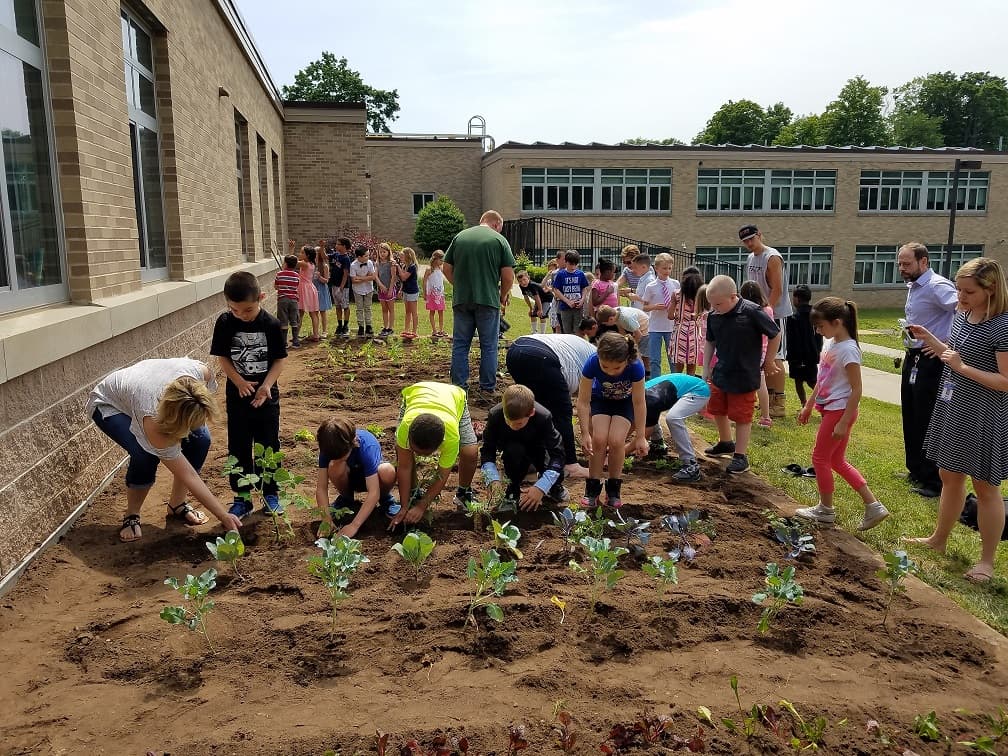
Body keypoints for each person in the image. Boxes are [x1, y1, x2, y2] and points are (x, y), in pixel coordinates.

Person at [905, 257, 1008, 583]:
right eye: (959, 290)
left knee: (985, 485)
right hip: (955, 403)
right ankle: (938, 539)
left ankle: (986, 562)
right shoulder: (964, 315)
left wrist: (962, 368)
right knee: (949, 474)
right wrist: (933, 342)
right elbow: (955, 352)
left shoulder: (1002, 326)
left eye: (968, 292)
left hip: (984, 411)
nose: (959, 298)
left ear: (991, 290)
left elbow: (1005, 381)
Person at [88, 358, 244, 542]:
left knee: (200, 439)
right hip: (110, 403)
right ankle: (132, 514)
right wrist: (223, 516)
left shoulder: (202, 373)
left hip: (144, 386)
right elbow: (187, 473)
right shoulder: (151, 416)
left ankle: (177, 504)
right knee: (144, 454)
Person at [794, 298, 890, 531]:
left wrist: (844, 422)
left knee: (819, 458)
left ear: (837, 322)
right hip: (831, 409)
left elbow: (857, 389)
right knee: (836, 460)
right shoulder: (831, 343)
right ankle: (874, 506)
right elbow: (822, 378)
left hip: (839, 412)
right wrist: (808, 404)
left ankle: (825, 510)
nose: (818, 331)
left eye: (821, 326)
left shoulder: (848, 350)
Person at [209, 271, 288, 517]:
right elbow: (223, 357)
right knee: (239, 446)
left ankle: (270, 494)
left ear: (261, 298)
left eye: (248, 310)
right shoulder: (224, 323)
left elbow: (278, 361)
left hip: (267, 396)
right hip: (238, 397)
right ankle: (242, 498)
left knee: (268, 445)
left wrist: (266, 385)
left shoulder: (272, 325)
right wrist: (239, 382)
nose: (241, 315)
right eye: (234, 310)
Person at [897, 242, 958, 500]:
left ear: (923, 262)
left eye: (907, 263)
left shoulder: (937, 286)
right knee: (910, 413)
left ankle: (933, 480)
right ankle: (916, 469)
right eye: (900, 263)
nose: (902, 268)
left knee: (927, 418)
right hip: (914, 356)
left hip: (932, 360)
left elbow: (963, 309)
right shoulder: (915, 286)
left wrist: (948, 344)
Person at [703, 275, 781, 475]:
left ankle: (740, 456)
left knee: (742, 415)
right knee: (717, 408)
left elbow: (775, 333)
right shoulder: (714, 315)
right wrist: (705, 369)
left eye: (718, 303)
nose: (715, 308)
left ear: (733, 297)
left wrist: (769, 360)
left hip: (745, 373)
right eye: (711, 304)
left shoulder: (752, 311)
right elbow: (710, 342)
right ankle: (725, 442)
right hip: (722, 370)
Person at [505, 333, 596, 479]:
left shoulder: (589, 353)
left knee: (530, 408)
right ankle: (570, 465)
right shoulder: (597, 364)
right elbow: (587, 405)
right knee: (562, 411)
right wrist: (590, 437)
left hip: (516, 349)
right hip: (542, 356)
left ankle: (527, 461)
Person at [444, 210, 516, 393]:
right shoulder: (499, 240)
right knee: (489, 346)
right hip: (488, 301)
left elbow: (446, 268)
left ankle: (459, 387)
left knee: (460, 344)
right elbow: (508, 276)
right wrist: (502, 295)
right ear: (497, 224)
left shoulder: (460, 237)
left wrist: (459, 286)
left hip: (462, 300)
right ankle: (487, 386)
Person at [389, 381, 479, 527]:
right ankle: (413, 494)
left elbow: (442, 474)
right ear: (410, 436)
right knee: (403, 454)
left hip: (454, 398)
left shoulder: (451, 437)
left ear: (440, 445)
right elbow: (404, 467)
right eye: (414, 450)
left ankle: (464, 492)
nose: (420, 456)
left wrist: (422, 506)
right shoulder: (405, 429)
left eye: (424, 454)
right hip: (416, 394)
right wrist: (404, 506)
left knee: (470, 452)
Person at [576, 332, 649, 508]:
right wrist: (585, 433)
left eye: (617, 368)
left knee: (616, 441)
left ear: (626, 360)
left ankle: (613, 489)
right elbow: (583, 401)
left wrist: (640, 436)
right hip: (601, 401)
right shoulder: (592, 362)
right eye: (605, 367)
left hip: (624, 404)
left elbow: (639, 402)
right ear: (598, 357)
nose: (610, 371)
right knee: (599, 439)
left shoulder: (635, 366)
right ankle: (592, 488)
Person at [480, 385, 569, 510]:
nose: (512, 426)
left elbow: (558, 455)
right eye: (507, 420)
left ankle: (553, 487)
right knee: (513, 452)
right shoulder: (495, 415)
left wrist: (542, 486)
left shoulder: (543, 417)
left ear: (531, 413)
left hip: (539, 448)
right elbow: (487, 450)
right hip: (512, 449)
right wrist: (492, 478)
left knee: (550, 465)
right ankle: (513, 488)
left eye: (518, 423)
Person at [315, 416, 399, 538]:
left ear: (353, 443)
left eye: (343, 456)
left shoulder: (367, 446)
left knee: (387, 471)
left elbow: (373, 492)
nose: (339, 458)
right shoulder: (329, 448)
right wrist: (326, 520)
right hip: (349, 479)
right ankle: (347, 499)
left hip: (374, 480)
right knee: (334, 466)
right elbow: (321, 488)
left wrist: (354, 525)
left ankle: (386, 500)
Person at [740, 224, 793, 418]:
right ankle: (767, 400)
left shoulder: (772, 257)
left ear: (760, 236)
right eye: (745, 241)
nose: (749, 243)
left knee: (775, 356)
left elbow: (777, 289)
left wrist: (765, 312)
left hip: (775, 314)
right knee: (762, 356)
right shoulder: (750, 258)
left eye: (751, 239)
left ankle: (779, 402)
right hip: (758, 312)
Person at [632, 373, 711, 482]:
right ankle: (658, 445)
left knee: (673, 418)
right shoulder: (640, 399)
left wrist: (618, 453)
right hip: (677, 388)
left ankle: (691, 465)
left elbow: (644, 435)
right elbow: (632, 424)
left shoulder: (648, 401)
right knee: (650, 416)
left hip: (698, 390)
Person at [739, 280, 775, 429]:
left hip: (750, 351)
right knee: (761, 384)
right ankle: (765, 416)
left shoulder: (745, 310)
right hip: (763, 350)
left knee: (747, 383)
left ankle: (744, 413)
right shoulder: (767, 310)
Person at [640, 253, 680, 377]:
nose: (667, 271)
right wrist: (655, 307)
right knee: (655, 359)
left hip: (671, 327)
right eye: (664, 268)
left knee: (672, 358)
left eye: (669, 268)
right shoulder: (651, 286)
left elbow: (679, 303)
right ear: (656, 268)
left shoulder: (675, 284)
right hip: (655, 327)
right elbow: (644, 306)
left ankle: (675, 380)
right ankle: (655, 382)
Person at [785, 284, 822, 406]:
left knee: (798, 381)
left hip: (797, 357)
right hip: (812, 354)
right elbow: (819, 336)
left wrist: (790, 356)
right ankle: (823, 402)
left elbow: (791, 340)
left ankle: (804, 404)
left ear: (797, 299)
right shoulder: (816, 316)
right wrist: (817, 351)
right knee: (813, 381)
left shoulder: (793, 318)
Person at [670, 267, 704, 376]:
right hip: (694, 332)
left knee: (678, 370)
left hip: (680, 332)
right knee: (691, 370)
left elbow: (670, 316)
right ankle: (690, 391)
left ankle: (678, 390)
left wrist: (678, 315)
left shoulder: (676, 294)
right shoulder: (702, 296)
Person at [552, 250, 590, 335]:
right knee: (567, 331)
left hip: (578, 308)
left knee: (577, 330)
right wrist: (567, 301)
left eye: (575, 264)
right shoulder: (561, 274)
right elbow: (556, 289)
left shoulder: (580, 274)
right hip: (565, 308)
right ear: (565, 262)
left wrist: (582, 300)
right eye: (570, 264)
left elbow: (584, 288)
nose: (573, 267)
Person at [292, 241, 320, 342]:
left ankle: (296, 336)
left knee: (300, 312)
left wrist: (291, 249)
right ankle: (316, 334)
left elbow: (292, 262)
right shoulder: (311, 264)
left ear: (307, 255)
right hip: (311, 288)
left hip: (303, 289)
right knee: (314, 313)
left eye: (302, 252)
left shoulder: (304, 264)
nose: (300, 254)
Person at [274, 253, 301, 349]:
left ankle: (284, 342)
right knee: (294, 320)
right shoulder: (297, 275)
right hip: (293, 300)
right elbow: (296, 286)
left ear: (285, 264)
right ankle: (295, 341)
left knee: (283, 320)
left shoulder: (279, 274)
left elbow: (276, 286)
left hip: (282, 300)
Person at [350, 245, 377, 338]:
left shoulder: (369, 263)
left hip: (368, 289)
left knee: (368, 307)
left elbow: (373, 277)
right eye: (366, 256)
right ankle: (361, 326)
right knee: (359, 308)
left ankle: (369, 325)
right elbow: (353, 280)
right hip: (357, 290)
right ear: (359, 257)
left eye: (368, 255)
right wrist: (367, 277)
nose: (368, 257)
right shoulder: (353, 265)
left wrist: (360, 278)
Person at [395, 246, 421, 339]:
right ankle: (406, 330)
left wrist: (397, 266)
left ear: (408, 256)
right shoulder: (404, 266)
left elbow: (403, 277)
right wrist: (400, 290)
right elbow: (403, 281)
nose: (401, 258)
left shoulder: (412, 267)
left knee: (414, 312)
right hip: (406, 291)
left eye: (402, 256)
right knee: (407, 312)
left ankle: (414, 331)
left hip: (412, 292)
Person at [331, 237, 353, 338]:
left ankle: (345, 326)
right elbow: (324, 256)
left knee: (345, 306)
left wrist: (341, 287)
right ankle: (339, 325)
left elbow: (345, 274)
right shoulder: (335, 255)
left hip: (343, 287)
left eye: (338, 244)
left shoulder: (346, 258)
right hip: (334, 285)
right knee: (338, 306)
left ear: (344, 246)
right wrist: (322, 247)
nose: (336, 245)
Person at [423, 249, 448, 338]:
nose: (442, 262)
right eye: (441, 260)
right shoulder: (429, 269)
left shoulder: (441, 269)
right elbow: (425, 281)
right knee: (432, 311)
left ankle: (441, 330)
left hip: (440, 295)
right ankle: (434, 330)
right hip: (432, 295)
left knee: (441, 312)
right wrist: (425, 293)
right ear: (435, 259)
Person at [375, 242, 398, 338]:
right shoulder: (377, 263)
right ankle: (385, 327)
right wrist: (380, 285)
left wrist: (390, 289)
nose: (382, 254)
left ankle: (390, 328)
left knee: (391, 309)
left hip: (390, 289)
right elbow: (375, 276)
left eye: (384, 252)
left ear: (388, 252)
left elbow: (393, 277)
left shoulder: (391, 263)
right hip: (381, 290)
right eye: (380, 252)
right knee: (384, 309)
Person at [517, 269, 548, 334]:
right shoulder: (522, 286)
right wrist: (530, 308)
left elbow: (537, 298)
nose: (523, 282)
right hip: (539, 300)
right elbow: (526, 297)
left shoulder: (532, 285)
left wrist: (540, 309)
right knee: (532, 315)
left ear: (528, 278)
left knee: (542, 315)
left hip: (547, 299)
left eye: (524, 280)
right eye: (520, 281)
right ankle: (534, 332)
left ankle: (542, 334)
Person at [313, 240, 332, 339]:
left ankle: (324, 331)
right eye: (314, 253)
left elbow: (326, 281)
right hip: (313, 290)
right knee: (314, 312)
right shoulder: (311, 266)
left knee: (322, 311)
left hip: (321, 290)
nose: (315, 255)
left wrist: (320, 277)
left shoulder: (324, 266)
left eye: (317, 253)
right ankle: (315, 332)